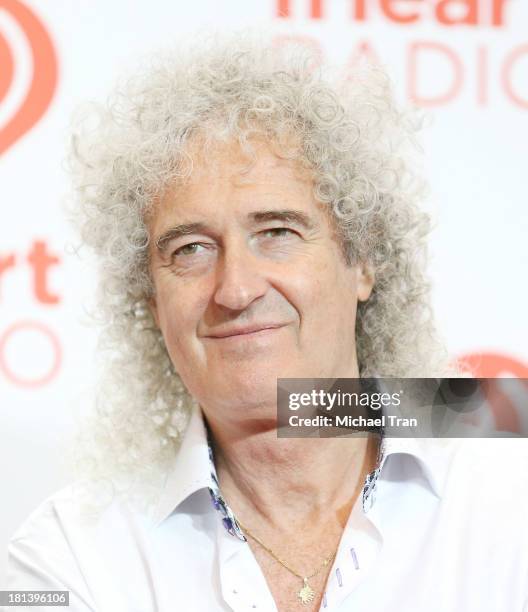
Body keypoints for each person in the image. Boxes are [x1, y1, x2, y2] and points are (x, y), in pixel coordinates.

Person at [7, 34, 528, 611]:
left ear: (362, 262)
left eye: (277, 233)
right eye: (191, 249)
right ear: (152, 301)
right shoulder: (68, 557)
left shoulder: (510, 490)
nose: (235, 288)